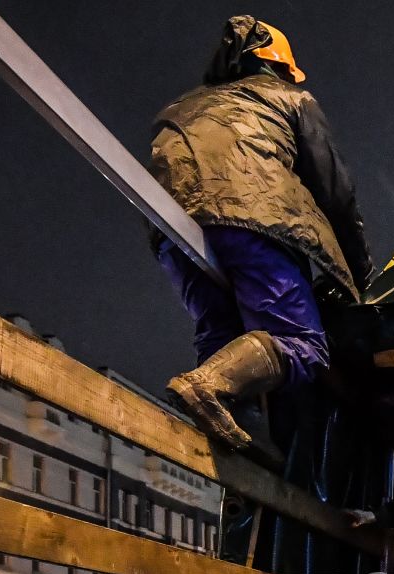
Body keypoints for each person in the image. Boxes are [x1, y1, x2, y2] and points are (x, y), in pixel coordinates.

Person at [149, 16, 372, 453]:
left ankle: (239, 437)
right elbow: (335, 192)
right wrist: (360, 274)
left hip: (171, 227)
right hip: (250, 215)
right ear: (279, 67)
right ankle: (208, 387)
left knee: (220, 336)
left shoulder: (181, 107)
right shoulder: (290, 99)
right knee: (302, 344)